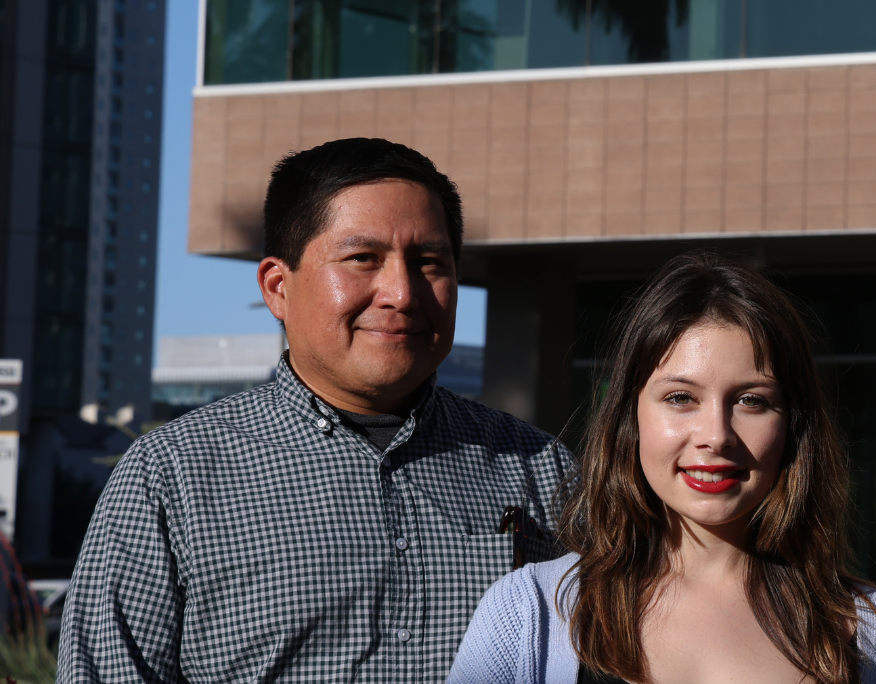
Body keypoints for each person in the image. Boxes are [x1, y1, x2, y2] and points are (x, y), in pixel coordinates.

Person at [58, 138, 573, 682]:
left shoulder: (540, 467)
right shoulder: (172, 475)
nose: (401, 292)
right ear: (278, 287)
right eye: (362, 259)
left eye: (428, 262)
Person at [449, 251, 876, 684]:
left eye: (751, 400)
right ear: (630, 416)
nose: (716, 435)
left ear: (793, 425)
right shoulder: (530, 613)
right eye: (681, 398)